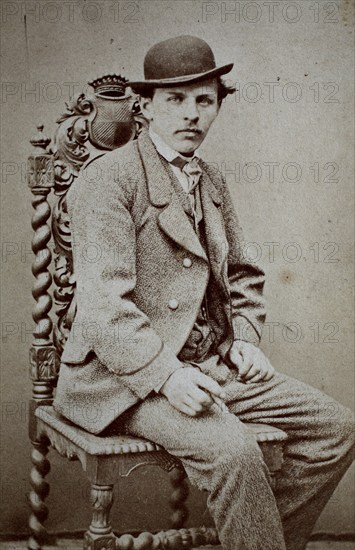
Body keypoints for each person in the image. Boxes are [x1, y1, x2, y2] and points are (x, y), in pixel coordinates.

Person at [54, 35, 354, 550]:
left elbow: (241, 273)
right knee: (234, 451)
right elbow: (106, 309)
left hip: (207, 363)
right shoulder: (109, 180)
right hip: (123, 377)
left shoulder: (209, 178)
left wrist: (244, 337)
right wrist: (167, 377)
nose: (191, 114)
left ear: (217, 105)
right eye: (176, 100)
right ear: (144, 108)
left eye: (204, 100)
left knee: (336, 428)